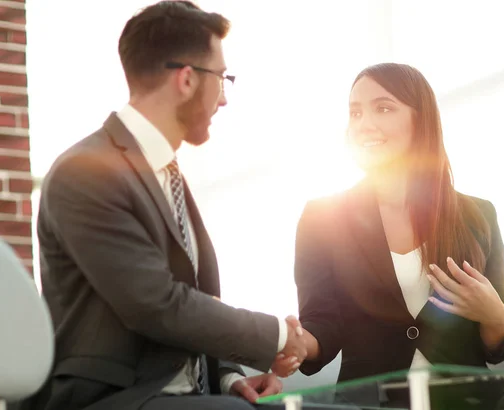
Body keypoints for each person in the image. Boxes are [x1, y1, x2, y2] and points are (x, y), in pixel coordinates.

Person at [15, 2, 306, 410]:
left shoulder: (166, 171)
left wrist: (225, 375)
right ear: (187, 79)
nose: (223, 99)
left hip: (179, 397)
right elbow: (157, 304)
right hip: (113, 398)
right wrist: (276, 335)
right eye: (222, 78)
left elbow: (190, 295)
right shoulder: (87, 172)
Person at [274, 63, 504, 384]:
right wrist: (297, 344)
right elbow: (323, 324)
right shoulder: (322, 218)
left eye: (384, 108)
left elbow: (498, 349)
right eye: (356, 113)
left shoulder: (477, 214)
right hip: (373, 403)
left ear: (422, 120)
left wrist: (495, 315)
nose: (365, 124)